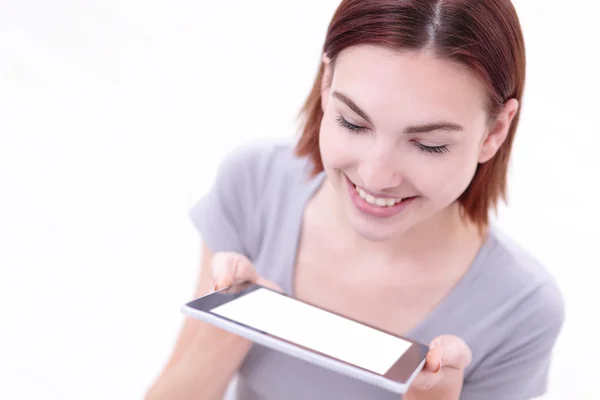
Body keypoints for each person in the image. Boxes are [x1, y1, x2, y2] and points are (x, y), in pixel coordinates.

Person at [146, 0, 565, 399]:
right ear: (327, 84)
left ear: (494, 132)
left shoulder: (520, 309)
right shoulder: (256, 185)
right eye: (353, 123)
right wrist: (223, 335)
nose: (376, 176)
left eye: (429, 145)